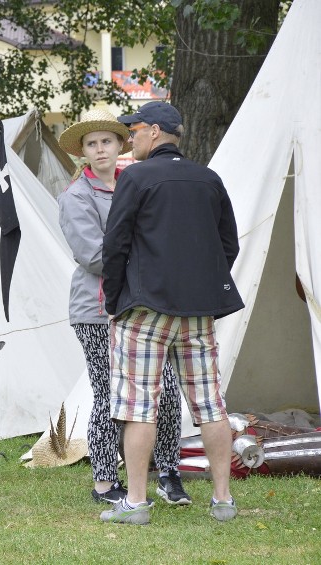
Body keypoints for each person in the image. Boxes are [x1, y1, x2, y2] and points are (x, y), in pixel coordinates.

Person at [100, 101, 244, 524]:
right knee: (210, 404)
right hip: (198, 313)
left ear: (155, 131)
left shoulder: (136, 177)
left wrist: (114, 300)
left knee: (138, 405)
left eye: (135, 131)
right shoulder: (209, 178)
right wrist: (199, 284)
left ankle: (138, 503)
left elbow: (115, 244)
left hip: (144, 310)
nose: (131, 139)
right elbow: (228, 245)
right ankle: (222, 500)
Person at [57, 109, 190, 506]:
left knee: (165, 389)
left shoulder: (135, 182)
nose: (100, 149)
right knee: (108, 395)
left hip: (142, 306)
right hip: (97, 310)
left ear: (120, 145)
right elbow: (94, 256)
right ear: (82, 151)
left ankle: (168, 470)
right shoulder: (75, 196)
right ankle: (103, 479)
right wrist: (150, 257)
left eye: (107, 141)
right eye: (92, 143)